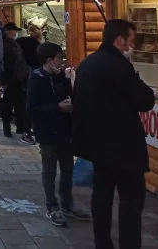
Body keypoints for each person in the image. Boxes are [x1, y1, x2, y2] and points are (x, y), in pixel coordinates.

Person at [74, 19, 155, 249]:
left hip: (97, 146)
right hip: (124, 147)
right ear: (119, 40)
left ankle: (103, 242)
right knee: (131, 201)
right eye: (130, 40)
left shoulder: (88, 63)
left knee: (102, 196)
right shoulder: (118, 66)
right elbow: (145, 100)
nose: (131, 46)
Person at [27, 42, 90, 227]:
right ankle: (51, 206)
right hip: (47, 133)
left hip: (64, 130)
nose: (61, 62)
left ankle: (67, 204)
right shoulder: (36, 79)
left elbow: (70, 97)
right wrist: (58, 107)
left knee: (68, 169)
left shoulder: (61, 77)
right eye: (59, 58)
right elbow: (31, 108)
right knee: (49, 171)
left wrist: (71, 98)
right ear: (49, 60)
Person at [0, 23, 29, 141]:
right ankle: (7, 129)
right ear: (7, 31)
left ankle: (20, 127)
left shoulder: (14, 44)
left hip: (17, 79)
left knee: (19, 105)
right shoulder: (4, 45)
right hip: (8, 79)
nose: (15, 33)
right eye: (13, 31)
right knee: (7, 105)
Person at [18, 22, 43, 145]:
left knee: (26, 104)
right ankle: (28, 131)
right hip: (34, 75)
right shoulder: (37, 47)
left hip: (23, 76)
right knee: (32, 104)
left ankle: (25, 130)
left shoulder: (21, 43)